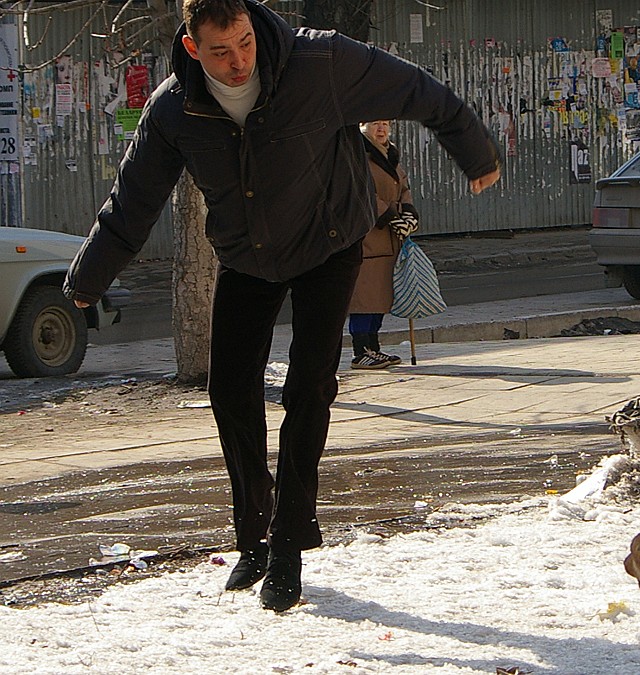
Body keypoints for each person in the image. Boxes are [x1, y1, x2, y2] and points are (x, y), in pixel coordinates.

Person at [63, 0, 500, 612]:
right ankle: (253, 537)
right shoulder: (174, 108)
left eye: (243, 42)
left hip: (329, 242)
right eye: (221, 51)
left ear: (251, 24)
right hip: (248, 254)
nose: (239, 61)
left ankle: (290, 542)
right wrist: (88, 278)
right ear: (193, 49)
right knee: (230, 390)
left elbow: (415, 89)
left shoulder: (318, 60)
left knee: (308, 387)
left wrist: (475, 152)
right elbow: (132, 200)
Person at [348, 120, 415, 369]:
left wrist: (409, 213)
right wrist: (390, 215)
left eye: (385, 124)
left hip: (389, 238)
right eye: (375, 124)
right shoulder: (356, 154)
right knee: (364, 296)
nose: (381, 129)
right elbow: (360, 191)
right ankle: (361, 350)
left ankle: (374, 348)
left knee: (380, 296)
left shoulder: (391, 155)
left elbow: (403, 187)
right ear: (362, 127)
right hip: (367, 236)